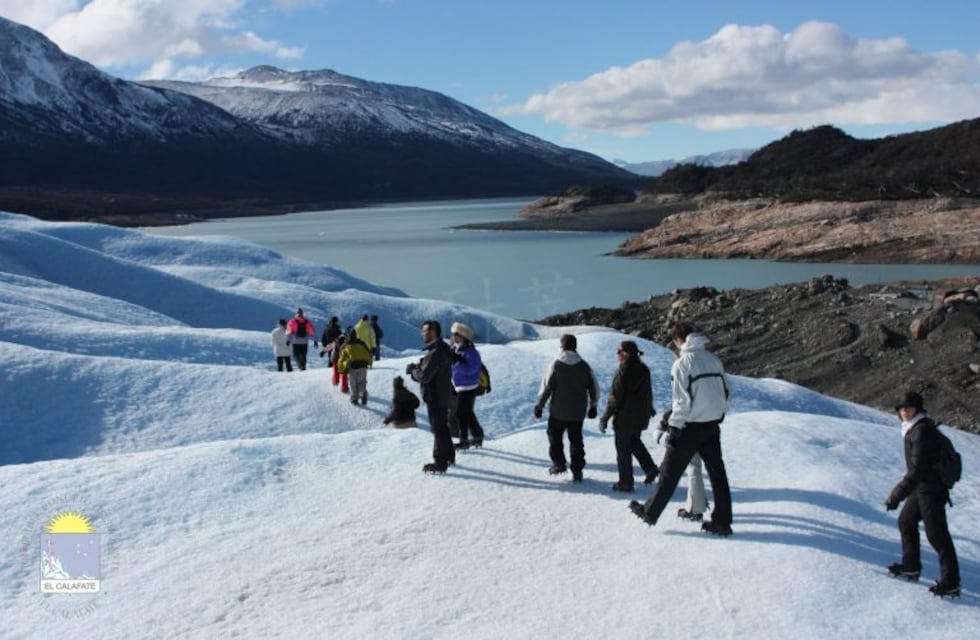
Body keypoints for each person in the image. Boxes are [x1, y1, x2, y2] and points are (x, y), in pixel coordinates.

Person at [629, 322, 733, 536]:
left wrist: (674, 426)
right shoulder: (714, 360)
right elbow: (726, 392)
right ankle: (722, 521)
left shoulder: (682, 364)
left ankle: (649, 512)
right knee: (717, 474)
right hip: (712, 424)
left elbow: (681, 402)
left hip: (689, 427)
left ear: (679, 340)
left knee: (669, 472)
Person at [885, 391, 960, 597]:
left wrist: (897, 495)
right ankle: (911, 567)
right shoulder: (913, 429)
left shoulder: (921, 432)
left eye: (908, 408)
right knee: (906, 522)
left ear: (917, 409)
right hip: (922, 488)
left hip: (931, 490)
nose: (904, 412)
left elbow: (917, 470)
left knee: (937, 536)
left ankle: (951, 582)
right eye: (901, 409)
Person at [533, 334, 599, 482]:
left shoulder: (556, 364)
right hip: (577, 412)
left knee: (554, 436)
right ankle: (577, 469)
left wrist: (539, 405)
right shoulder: (584, 366)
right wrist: (593, 406)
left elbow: (547, 387)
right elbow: (594, 388)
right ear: (575, 346)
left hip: (558, 411)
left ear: (562, 346)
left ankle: (559, 463)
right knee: (576, 440)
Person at [599, 340, 658, 492]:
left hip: (624, 418)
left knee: (623, 450)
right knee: (635, 442)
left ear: (625, 354)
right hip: (640, 416)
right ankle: (650, 468)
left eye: (619, 351)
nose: (617, 354)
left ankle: (625, 482)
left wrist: (605, 418)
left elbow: (615, 398)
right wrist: (649, 408)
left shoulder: (623, 371)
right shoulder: (644, 369)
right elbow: (647, 392)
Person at [407, 320, 455, 473]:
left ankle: (440, 462)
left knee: (438, 428)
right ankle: (448, 456)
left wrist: (413, 370)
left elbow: (424, 376)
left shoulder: (436, 352)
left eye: (425, 331)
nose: (422, 334)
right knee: (442, 426)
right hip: (442, 393)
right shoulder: (442, 348)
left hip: (435, 395)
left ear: (433, 332)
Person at [449, 322, 486, 450]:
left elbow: (472, 369)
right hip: (459, 386)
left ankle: (464, 440)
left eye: (457, 334)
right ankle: (477, 435)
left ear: (464, 336)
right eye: (454, 334)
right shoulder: (455, 349)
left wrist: (457, 362)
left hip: (468, 387)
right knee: (468, 413)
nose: (454, 336)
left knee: (460, 413)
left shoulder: (472, 352)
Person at [337, 330, 373, 405]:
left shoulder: (345, 345)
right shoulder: (362, 343)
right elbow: (368, 353)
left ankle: (354, 399)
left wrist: (341, 369)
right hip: (363, 366)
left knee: (353, 384)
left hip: (352, 368)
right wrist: (370, 363)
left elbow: (341, 359)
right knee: (362, 382)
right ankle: (363, 395)